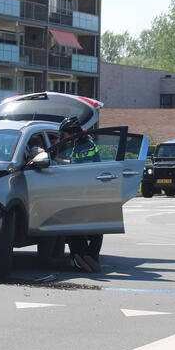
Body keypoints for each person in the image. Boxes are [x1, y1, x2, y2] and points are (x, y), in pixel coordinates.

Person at [57, 116, 103, 273]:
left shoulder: (84, 144)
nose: (63, 137)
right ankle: (89, 258)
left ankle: (86, 257)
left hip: (87, 190)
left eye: (64, 133)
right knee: (94, 227)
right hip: (88, 188)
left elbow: (83, 166)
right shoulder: (80, 143)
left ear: (70, 132)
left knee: (84, 227)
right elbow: (77, 163)